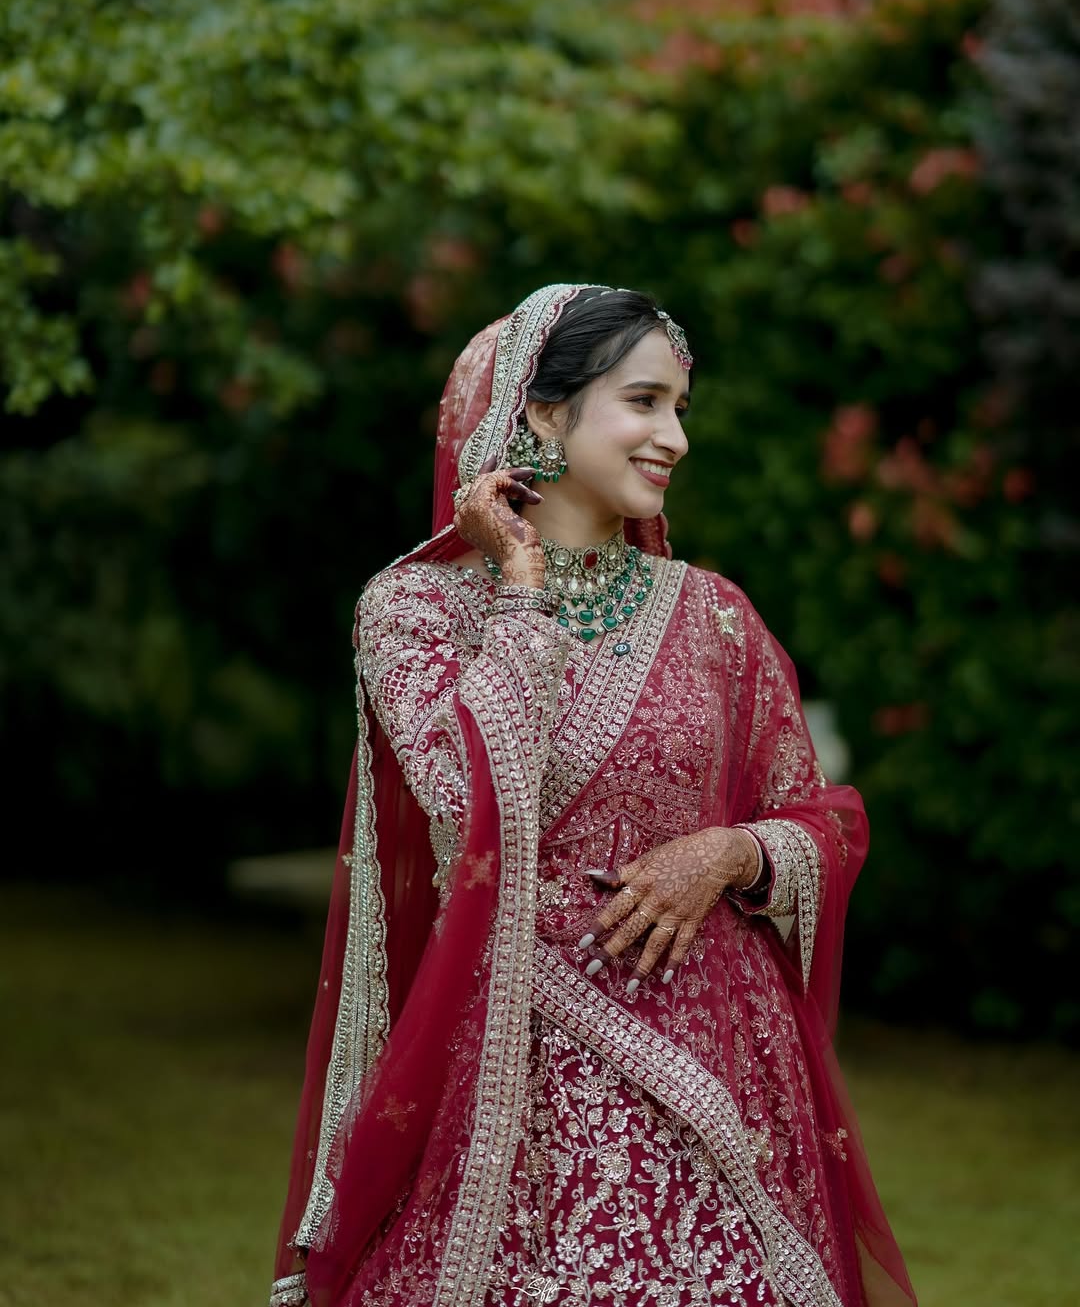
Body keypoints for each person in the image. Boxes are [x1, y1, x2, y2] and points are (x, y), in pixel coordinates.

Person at [271, 284, 916, 1307]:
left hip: (723, 1070)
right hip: (516, 1083)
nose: (673, 440)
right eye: (644, 403)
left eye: (679, 411)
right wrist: (521, 586)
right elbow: (467, 797)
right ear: (542, 413)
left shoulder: (715, 618)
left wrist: (730, 856)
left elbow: (822, 819)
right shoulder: (414, 610)